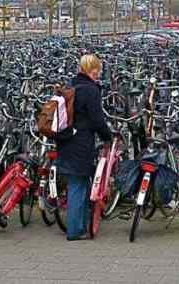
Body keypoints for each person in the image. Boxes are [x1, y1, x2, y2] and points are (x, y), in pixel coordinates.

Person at [56, 54, 111, 241]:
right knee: (78, 186)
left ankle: (79, 224)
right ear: (91, 70)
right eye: (97, 70)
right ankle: (74, 231)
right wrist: (107, 136)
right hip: (80, 143)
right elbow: (97, 119)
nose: (99, 73)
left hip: (65, 141)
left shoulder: (72, 86)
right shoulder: (90, 90)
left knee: (76, 183)